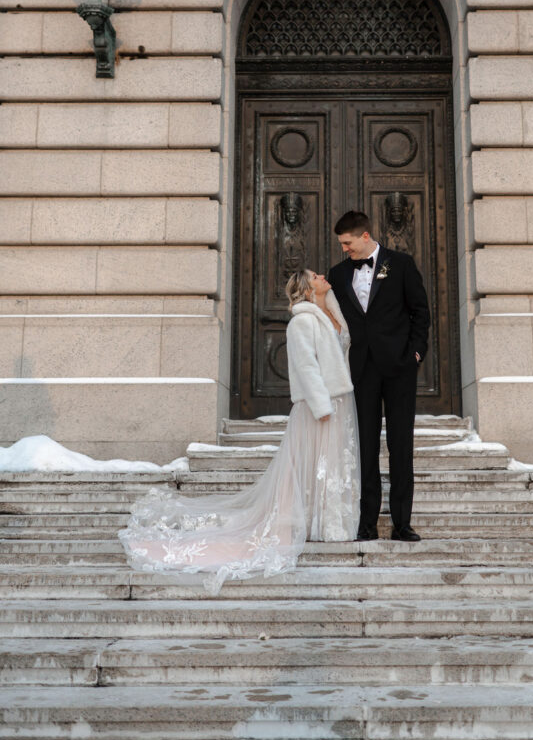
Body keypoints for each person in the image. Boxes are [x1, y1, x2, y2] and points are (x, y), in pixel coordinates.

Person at [119, 269, 360, 593]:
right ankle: (304, 524)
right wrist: (321, 407)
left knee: (328, 465)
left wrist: (330, 305)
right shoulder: (303, 321)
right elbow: (306, 366)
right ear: (306, 287)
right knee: (311, 466)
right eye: (315, 275)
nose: (322, 275)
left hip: (339, 401)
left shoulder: (329, 314)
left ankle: (328, 523)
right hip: (320, 407)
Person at [328, 210, 430, 542]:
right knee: (365, 449)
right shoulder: (339, 273)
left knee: (401, 446)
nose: (345, 249)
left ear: (365, 236)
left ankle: (402, 524)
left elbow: (420, 311)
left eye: (348, 243)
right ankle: (366, 523)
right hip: (361, 371)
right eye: (342, 244)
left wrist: (415, 353)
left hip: (399, 368)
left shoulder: (400, 264)